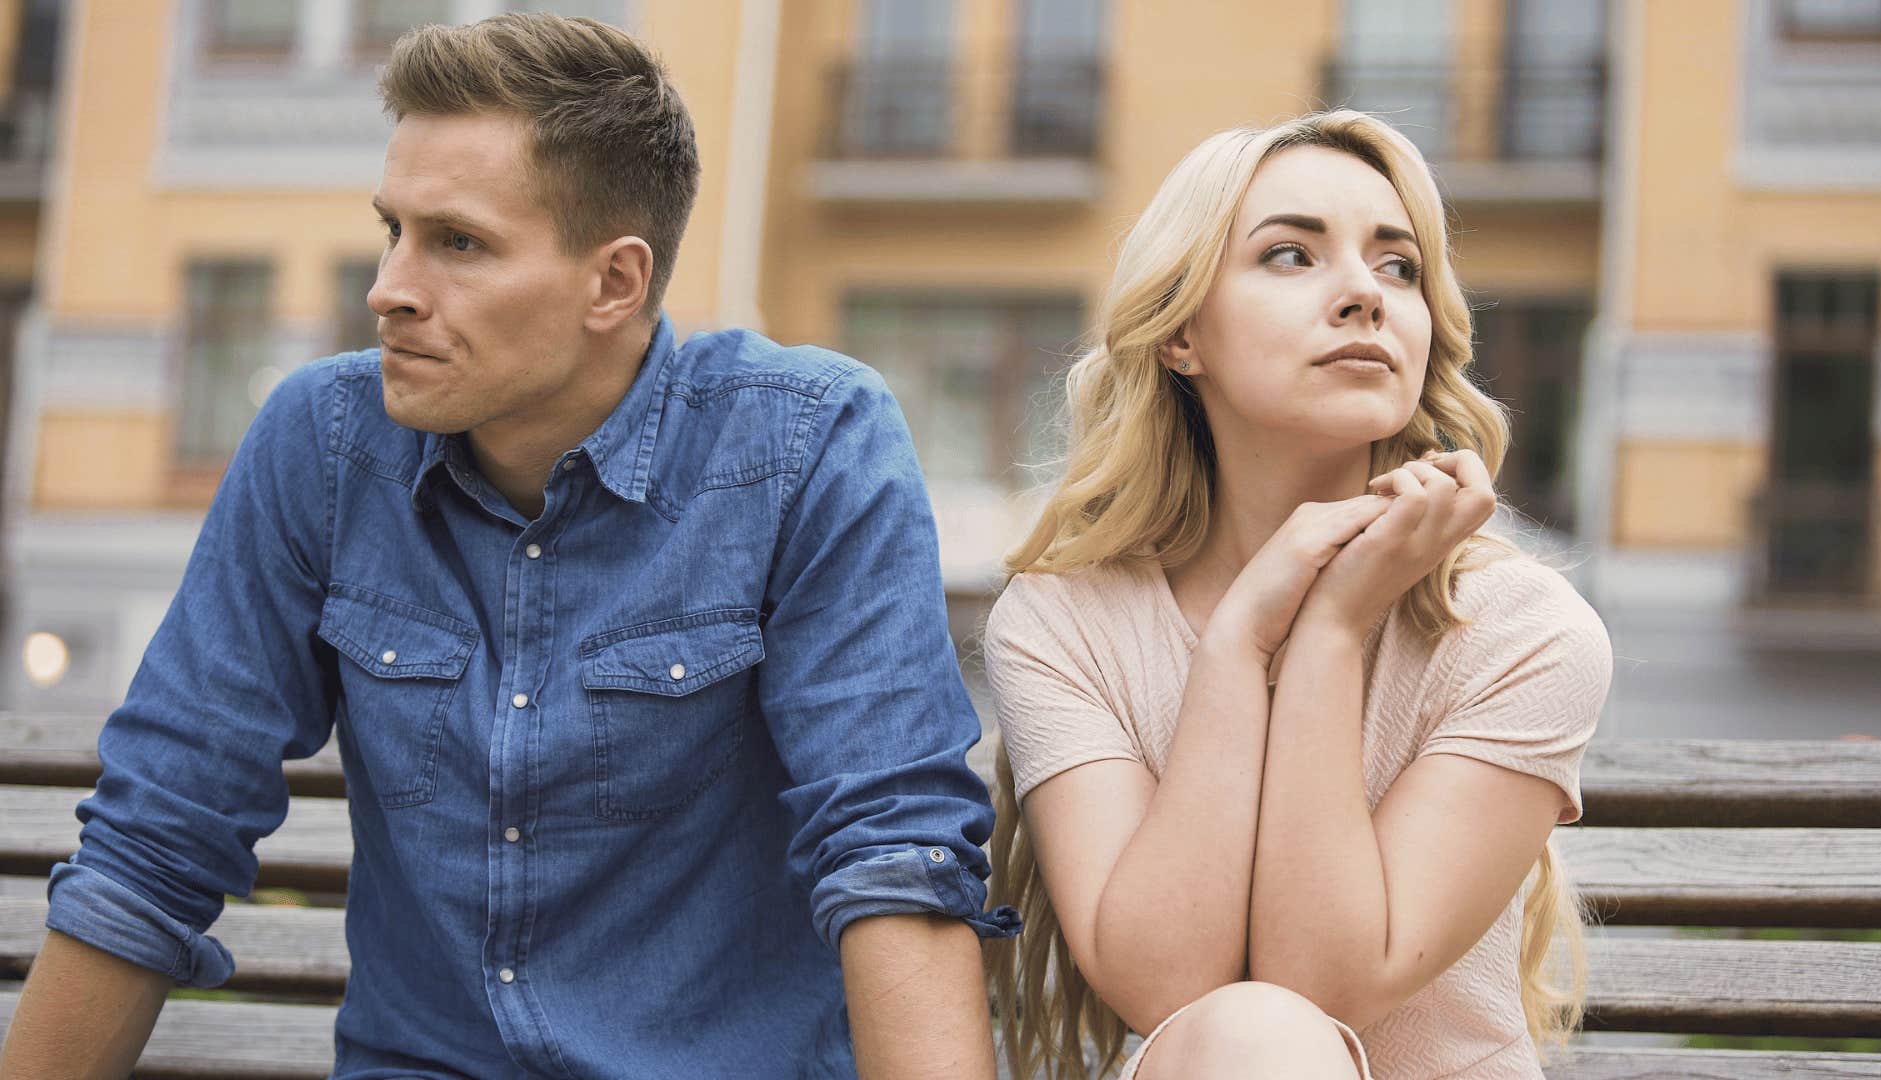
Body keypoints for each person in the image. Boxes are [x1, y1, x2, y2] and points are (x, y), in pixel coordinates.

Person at [0, 13, 1015, 1079]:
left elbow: (892, 856)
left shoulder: (804, 446)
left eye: (459, 243)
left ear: (614, 283)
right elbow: (160, 831)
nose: (388, 285)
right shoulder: (326, 444)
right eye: (393, 227)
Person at [982, 109, 1614, 1079]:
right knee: (1245, 1035)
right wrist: (1238, 644)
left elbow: (1327, 985)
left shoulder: (1526, 632)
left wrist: (1329, 632)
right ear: (1182, 332)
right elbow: (1167, 983)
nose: (1365, 293)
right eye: (1292, 256)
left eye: (1398, 266)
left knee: (1268, 1029)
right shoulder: (1067, 621)